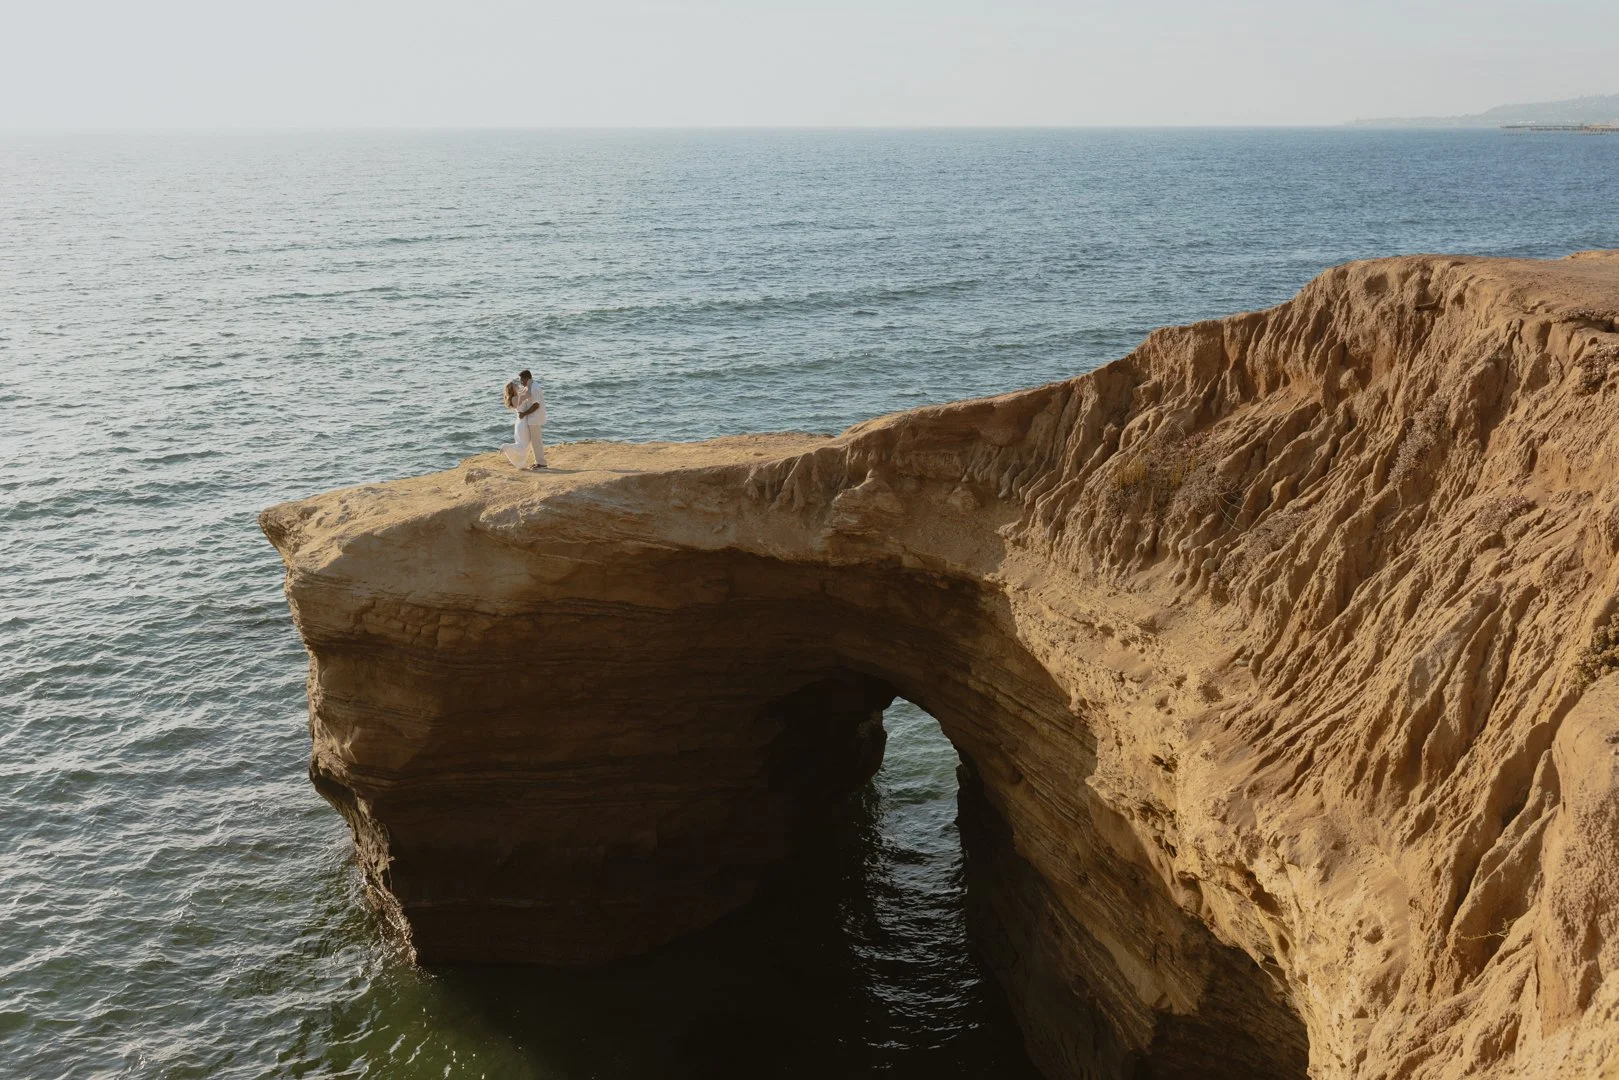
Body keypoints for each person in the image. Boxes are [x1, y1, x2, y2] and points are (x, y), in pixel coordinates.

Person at [500, 368, 548, 470]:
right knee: (525, 444)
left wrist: (529, 385)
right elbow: (527, 394)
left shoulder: (527, 391)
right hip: (523, 423)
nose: (520, 384)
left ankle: (539, 462)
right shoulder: (517, 397)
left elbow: (534, 403)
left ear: (527, 378)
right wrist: (529, 385)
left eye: (521, 380)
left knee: (532, 442)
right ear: (512, 389)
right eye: (516, 385)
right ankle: (507, 447)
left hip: (526, 421)